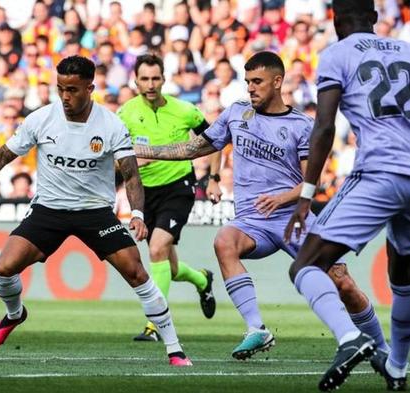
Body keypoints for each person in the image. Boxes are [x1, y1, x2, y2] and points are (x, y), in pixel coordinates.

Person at [132, 51, 387, 363]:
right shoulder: (236, 114)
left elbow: (314, 181)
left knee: (341, 281)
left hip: (292, 218)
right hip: (252, 222)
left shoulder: (301, 125)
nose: (250, 88)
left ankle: (380, 347)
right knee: (224, 241)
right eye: (247, 82)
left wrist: (283, 198)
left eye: (257, 82)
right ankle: (256, 328)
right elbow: (191, 148)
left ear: (277, 82)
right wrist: (139, 150)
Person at [0, 55, 192, 367]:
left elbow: (131, 174)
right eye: (60, 88)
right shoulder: (41, 119)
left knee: (136, 271)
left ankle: (174, 349)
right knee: (4, 268)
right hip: (49, 209)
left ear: (90, 88)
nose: (66, 96)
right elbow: (3, 155)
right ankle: (15, 315)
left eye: (73, 90)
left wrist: (136, 214)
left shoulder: (110, 125)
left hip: (95, 212)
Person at [284, 0, 410, 390]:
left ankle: (352, 338)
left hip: (381, 172)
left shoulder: (337, 53)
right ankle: (397, 367)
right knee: (403, 272)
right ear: (374, 18)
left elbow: (323, 128)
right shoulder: (407, 50)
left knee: (305, 264)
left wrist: (306, 194)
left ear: (336, 20)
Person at [118, 54, 216, 342]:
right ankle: (202, 279)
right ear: (135, 80)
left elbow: (216, 139)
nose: (150, 84)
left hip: (178, 186)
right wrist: (132, 164)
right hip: (144, 193)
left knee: (157, 247)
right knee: (169, 267)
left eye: (155, 78)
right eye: (144, 79)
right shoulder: (125, 114)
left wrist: (214, 178)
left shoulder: (185, 110)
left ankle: (155, 324)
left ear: (164, 79)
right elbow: (111, 159)